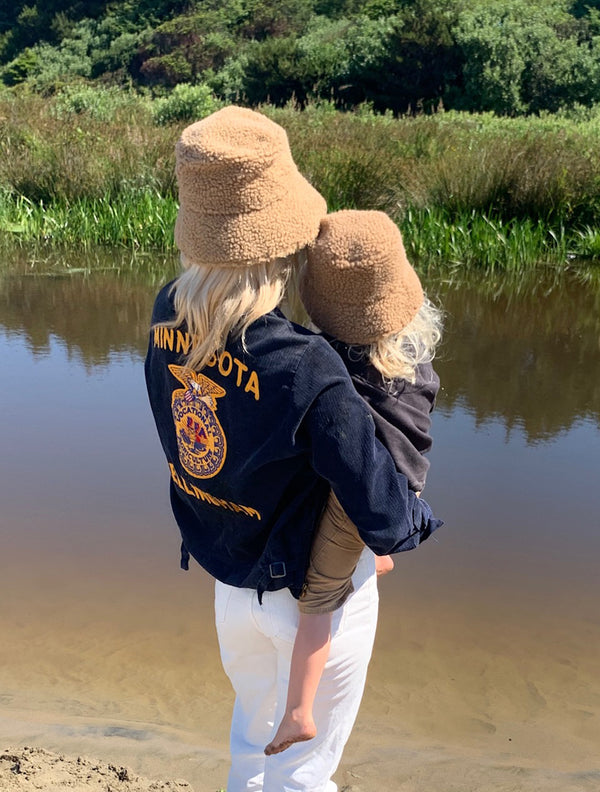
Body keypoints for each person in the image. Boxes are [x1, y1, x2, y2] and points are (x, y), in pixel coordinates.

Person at [144, 106, 443, 792]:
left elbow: (189, 440)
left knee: (253, 751)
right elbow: (386, 516)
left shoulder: (169, 312)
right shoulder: (311, 367)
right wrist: (412, 518)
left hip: (230, 581)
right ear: (285, 242)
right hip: (312, 597)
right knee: (306, 773)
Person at [265, 209, 442, 756]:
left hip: (362, 494)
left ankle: (298, 712)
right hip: (405, 481)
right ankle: (378, 552)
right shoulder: (414, 357)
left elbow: (337, 454)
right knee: (363, 537)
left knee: (318, 599)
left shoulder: (326, 361)